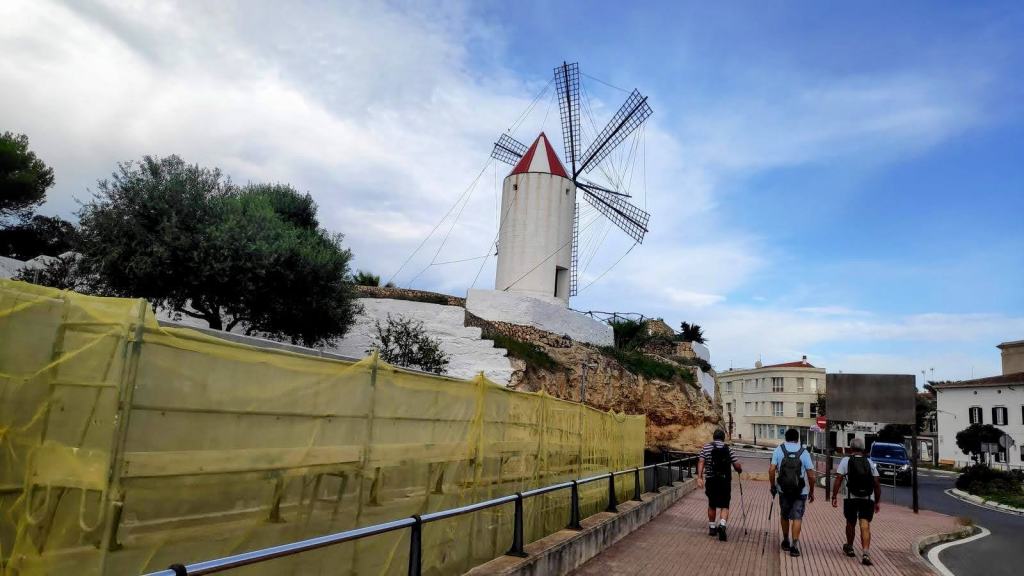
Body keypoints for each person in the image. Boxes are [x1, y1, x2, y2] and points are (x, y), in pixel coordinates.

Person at [832, 437, 881, 566]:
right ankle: (865, 553)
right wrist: (877, 501)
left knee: (850, 522)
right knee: (865, 524)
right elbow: (876, 482)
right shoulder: (869, 462)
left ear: (851, 448)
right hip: (867, 498)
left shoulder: (845, 461)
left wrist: (834, 496)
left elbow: (838, 479)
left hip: (851, 497)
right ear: (863, 449)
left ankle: (850, 547)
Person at [769, 428, 816, 557]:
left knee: (784, 515)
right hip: (800, 491)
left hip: (783, 490)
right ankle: (794, 546)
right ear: (797, 438)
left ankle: (785, 541)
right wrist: (811, 491)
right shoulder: (804, 452)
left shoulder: (779, 450)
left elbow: (771, 470)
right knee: (797, 517)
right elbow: (811, 475)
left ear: (786, 438)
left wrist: (773, 486)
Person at [697, 429, 743, 541]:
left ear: (713, 437)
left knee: (712, 504)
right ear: (723, 438)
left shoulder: (706, 447)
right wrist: (739, 470)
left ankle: (712, 528)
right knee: (724, 505)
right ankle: (722, 525)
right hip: (724, 481)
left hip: (711, 480)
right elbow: (737, 465)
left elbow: (701, 462)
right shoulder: (728, 449)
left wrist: (699, 477)